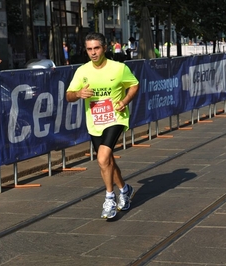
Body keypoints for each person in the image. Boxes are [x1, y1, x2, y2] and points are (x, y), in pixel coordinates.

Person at [66, 32, 139, 219]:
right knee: (107, 161)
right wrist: (79, 94)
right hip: (95, 121)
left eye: (96, 48)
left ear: (104, 48)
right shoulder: (82, 71)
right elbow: (69, 95)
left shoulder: (119, 68)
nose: (93, 53)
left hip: (116, 117)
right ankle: (124, 189)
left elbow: (134, 85)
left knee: (102, 158)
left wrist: (125, 100)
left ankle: (109, 198)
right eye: (89, 49)